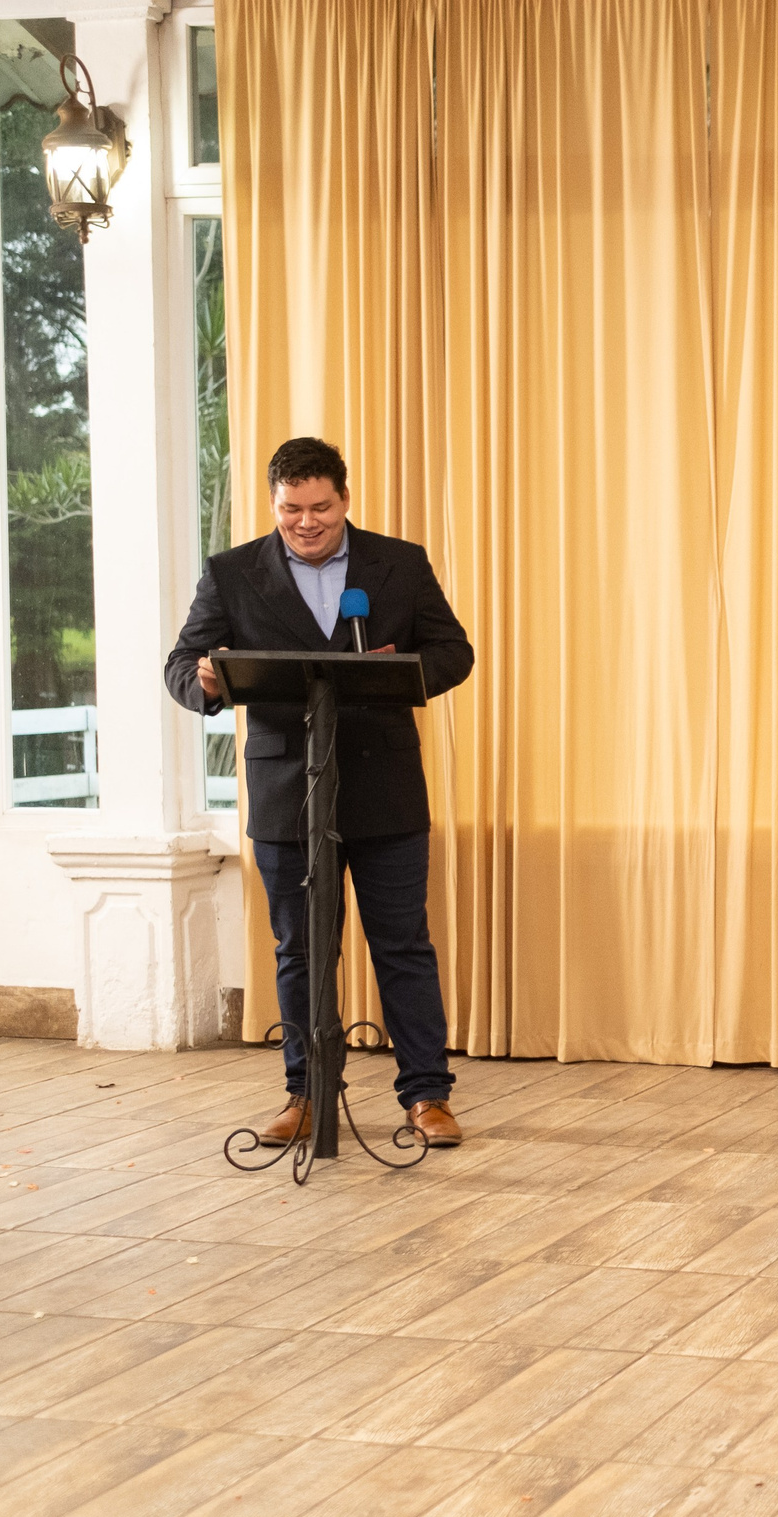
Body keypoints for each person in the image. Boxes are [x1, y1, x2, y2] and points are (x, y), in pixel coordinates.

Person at [166, 438, 476, 1148]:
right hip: (287, 794)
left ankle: (427, 1095)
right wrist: (205, 682)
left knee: (403, 945)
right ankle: (306, 1095)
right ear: (274, 503)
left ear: (345, 499)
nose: (306, 523)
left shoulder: (400, 563)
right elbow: (183, 662)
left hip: (384, 788)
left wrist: (406, 670)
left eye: (321, 509)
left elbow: (453, 651)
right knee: (300, 951)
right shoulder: (232, 572)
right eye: (291, 510)